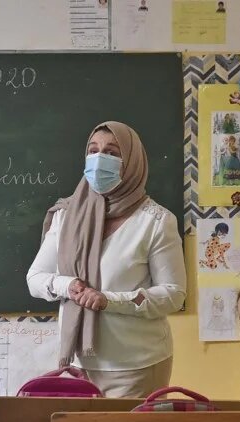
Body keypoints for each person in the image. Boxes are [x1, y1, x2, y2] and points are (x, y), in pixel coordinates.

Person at [26, 121, 186, 398]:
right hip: (78, 365)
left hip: (137, 365)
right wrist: (68, 285)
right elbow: (35, 279)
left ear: (132, 162)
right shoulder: (66, 215)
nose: (100, 159)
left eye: (112, 153)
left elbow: (173, 295)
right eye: (93, 150)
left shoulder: (156, 221)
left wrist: (109, 300)